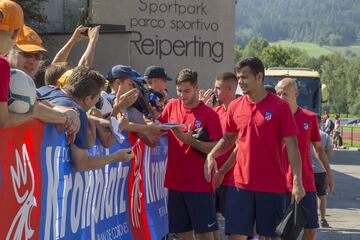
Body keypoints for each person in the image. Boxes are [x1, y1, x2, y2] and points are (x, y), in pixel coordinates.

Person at [205, 57, 305, 240]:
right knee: (235, 236)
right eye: (238, 77)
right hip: (239, 185)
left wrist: (297, 180)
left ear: (259, 77)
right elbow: (228, 139)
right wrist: (212, 154)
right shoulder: (235, 106)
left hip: (271, 186)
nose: (240, 82)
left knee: (271, 237)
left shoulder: (280, 107)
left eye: (244, 77)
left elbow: (292, 146)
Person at [158, 68, 223, 240]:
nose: (182, 95)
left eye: (187, 91)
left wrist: (188, 140)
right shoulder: (171, 105)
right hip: (175, 182)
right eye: (179, 90)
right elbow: (158, 128)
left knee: (204, 234)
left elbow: (217, 147)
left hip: (199, 184)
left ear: (196, 87)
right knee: (183, 233)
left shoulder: (210, 115)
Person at [38, 66, 134, 171]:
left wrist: (94, 120)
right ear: (88, 99)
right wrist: (116, 157)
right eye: (98, 98)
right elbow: (82, 163)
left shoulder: (44, 90)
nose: (98, 102)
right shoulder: (78, 113)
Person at [275, 78, 334, 240]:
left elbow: (319, 149)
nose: (281, 98)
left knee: (311, 229)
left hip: (305, 183)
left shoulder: (309, 117)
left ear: (296, 93)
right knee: (281, 231)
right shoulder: (272, 118)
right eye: (278, 94)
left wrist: (328, 173)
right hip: (278, 184)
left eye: (285, 94)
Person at [211, 72, 239, 240]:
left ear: (230, 88)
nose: (215, 91)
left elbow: (239, 147)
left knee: (235, 224)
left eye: (218, 88)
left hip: (233, 179)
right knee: (211, 220)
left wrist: (222, 171)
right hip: (214, 177)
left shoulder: (241, 110)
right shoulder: (215, 112)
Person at [311, 114, 333, 228]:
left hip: (307, 170)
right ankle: (323, 219)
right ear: (319, 123)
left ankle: (309, 218)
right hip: (321, 170)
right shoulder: (325, 136)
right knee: (322, 195)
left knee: (307, 196)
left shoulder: (304, 132)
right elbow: (330, 153)